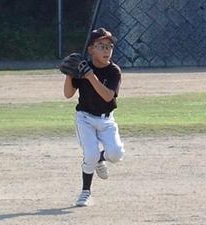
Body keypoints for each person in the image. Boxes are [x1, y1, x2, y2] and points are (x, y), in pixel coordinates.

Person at [63, 27, 125, 207]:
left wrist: (90, 76)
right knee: (90, 155)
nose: (106, 50)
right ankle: (85, 192)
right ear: (90, 49)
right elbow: (68, 94)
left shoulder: (114, 71)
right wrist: (70, 74)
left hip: (106, 120)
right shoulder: (82, 68)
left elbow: (107, 96)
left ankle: (101, 158)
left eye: (109, 46)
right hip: (85, 119)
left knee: (116, 154)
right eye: (101, 46)